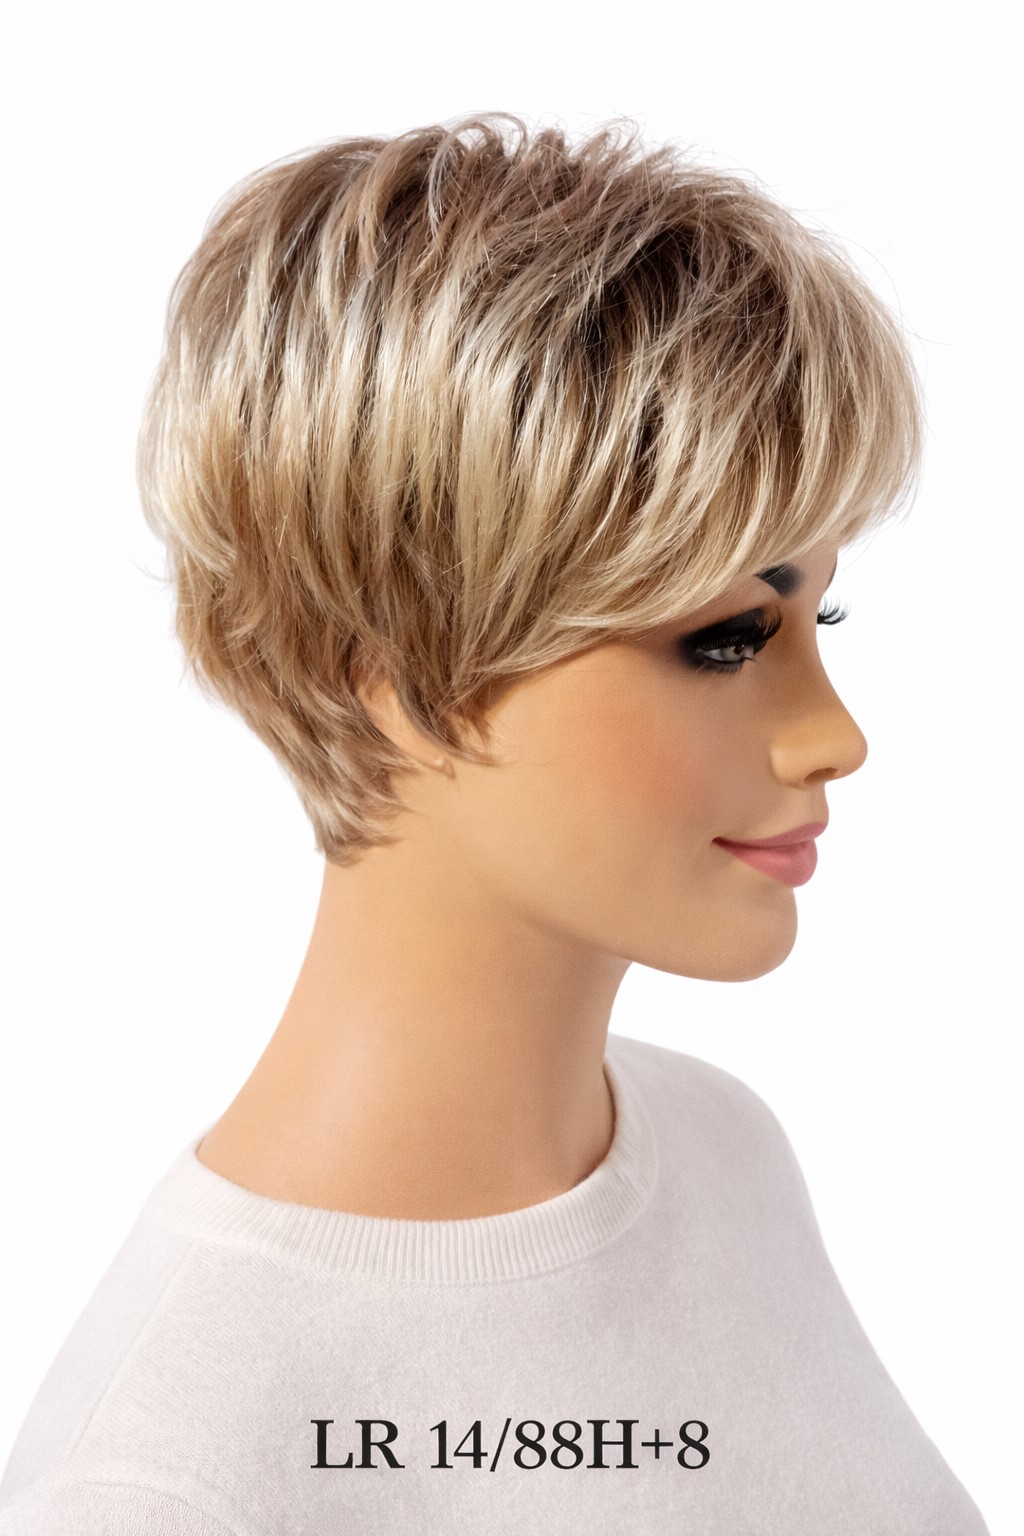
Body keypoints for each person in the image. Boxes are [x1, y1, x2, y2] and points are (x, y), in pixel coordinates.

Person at [0, 112, 992, 1534]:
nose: (834, 734)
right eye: (724, 639)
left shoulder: (720, 1151)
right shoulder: (165, 1486)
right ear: (394, 669)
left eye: (815, 619)